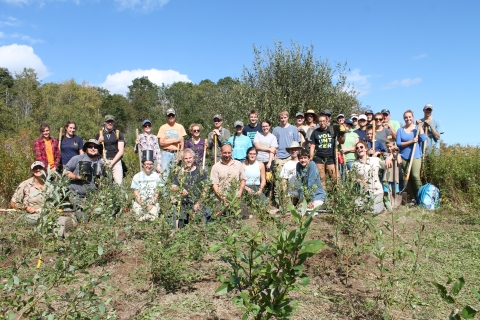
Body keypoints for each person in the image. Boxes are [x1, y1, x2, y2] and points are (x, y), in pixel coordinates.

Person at [10, 161, 73, 237]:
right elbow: (13, 203)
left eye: (40, 168)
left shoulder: (50, 185)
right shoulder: (25, 184)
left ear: (44, 169)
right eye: (35, 168)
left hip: (48, 213)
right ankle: (61, 233)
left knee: (64, 220)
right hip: (31, 215)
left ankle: (64, 232)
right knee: (42, 220)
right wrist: (26, 207)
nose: (38, 170)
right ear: (32, 171)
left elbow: (56, 201)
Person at [64, 139, 105, 221]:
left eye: (95, 147)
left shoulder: (101, 162)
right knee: (84, 218)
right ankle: (71, 218)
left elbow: (104, 179)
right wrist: (76, 177)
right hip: (77, 195)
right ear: (86, 148)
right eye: (90, 146)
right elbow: (65, 172)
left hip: (92, 197)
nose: (93, 148)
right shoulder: (77, 158)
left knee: (100, 216)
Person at [172, 149, 212, 227]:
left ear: (193, 159)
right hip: (184, 202)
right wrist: (180, 189)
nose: (188, 160)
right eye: (186, 158)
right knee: (180, 224)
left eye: (190, 158)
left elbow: (206, 188)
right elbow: (173, 187)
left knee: (203, 220)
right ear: (183, 160)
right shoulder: (179, 172)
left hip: (198, 201)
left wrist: (199, 203)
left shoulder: (200, 171)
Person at [351, 141, 392, 214]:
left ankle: (382, 206)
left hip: (376, 191)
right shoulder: (355, 164)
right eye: (357, 148)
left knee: (372, 212)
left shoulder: (375, 160)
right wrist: (359, 180)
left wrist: (388, 158)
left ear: (366, 149)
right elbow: (352, 178)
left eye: (361, 147)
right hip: (364, 192)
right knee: (358, 210)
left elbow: (386, 166)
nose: (359, 149)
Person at [396, 110, 426, 203]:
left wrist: (420, 126)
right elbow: (398, 143)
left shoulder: (416, 129)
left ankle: (422, 197)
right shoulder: (400, 130)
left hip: (416, 156)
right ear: (404, 119)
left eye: (409, 117)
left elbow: (423, 138)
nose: (408, 119)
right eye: (406, 117)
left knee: (415, 176)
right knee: (407, 178)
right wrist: (411, 141)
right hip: (404, 156)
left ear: (412, 117)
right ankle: (413, 198)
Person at [309, 114, 346, 189]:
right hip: (319, 157)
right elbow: (312, 146)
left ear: (327, 121)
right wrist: (311, 158)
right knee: (321, 178)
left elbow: (341, 141)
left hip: (331, 157)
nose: (322, 123)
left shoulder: (332, 129)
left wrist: (343, 134)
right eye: (320, 121)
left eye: (323, 121)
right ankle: (324, 196)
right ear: (318, 123)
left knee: (335, 177)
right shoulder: (315, 132)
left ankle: (339, 194)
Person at [210, 144, 246, 215]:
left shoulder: (238, 164)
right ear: (221, 152)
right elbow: (214, 184)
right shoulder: (216, 167)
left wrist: (240, 191)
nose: (227, 155)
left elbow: (243, 179)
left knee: (242, 216)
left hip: (235, 196)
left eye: (229, 152)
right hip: (221, 197)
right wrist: (222, 198)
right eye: (225, 153)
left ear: (232, 152)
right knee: (217, 217)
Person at [131, 151, 162, 222]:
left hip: (152, 202)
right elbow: (136, 193)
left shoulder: (157, 176)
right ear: (143, 164)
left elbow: (157, 192)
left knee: (152, 218)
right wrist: (143, 205)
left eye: (151, 164)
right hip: (140, 203)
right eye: (147, 164)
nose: (149, 166)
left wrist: (151, 204)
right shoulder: (136, 177)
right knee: (140, 219)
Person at [157, 108, 186, 178]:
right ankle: (162, 189)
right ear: (166, 116)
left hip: (177, 153)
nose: (171, 117)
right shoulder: (163, 128)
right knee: (164, 175)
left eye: (172, 115)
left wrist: (180, 153)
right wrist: (174, 141)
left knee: (177, 174)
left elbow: (182, 141)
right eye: (169, 115)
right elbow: (161, 143)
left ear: (175, 116)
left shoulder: (180, 127)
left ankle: (176, 189)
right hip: (166, 153)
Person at [95, 115, 125, 185]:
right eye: (108, 121)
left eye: (111, 121)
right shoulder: (99, 134)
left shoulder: (118, 133)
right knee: (103, 184)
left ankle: (119, 196)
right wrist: (98, 142)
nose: (110, 123)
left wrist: (111, 164)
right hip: (103, 161)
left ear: (114, 122)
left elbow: (121, 151)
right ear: (104, 122)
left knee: (118, 184)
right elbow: (94, 149)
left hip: (116, 161)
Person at [382, 139, 402, 211]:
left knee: (395, 190)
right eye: (388, 147)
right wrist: (392, 155)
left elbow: (399, 161)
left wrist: (396, 153)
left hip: (395, 177)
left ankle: (395, 203)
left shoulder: (398, 155)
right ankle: (387, 203)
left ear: (394, 146)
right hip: (387, 176)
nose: (389, 148)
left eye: (391, 147)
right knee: (386, 191)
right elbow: (388, 159)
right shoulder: (386, 154)